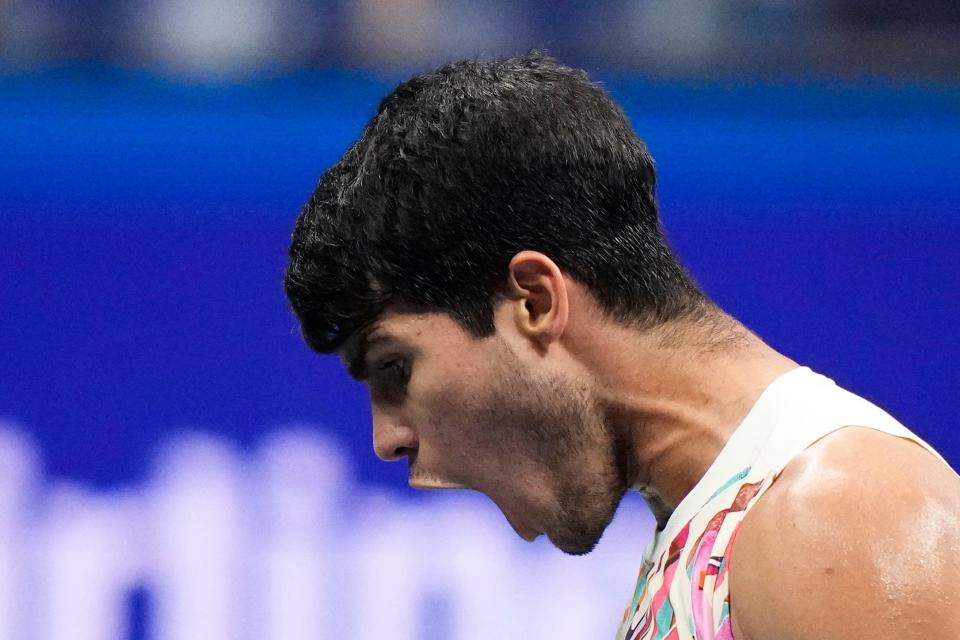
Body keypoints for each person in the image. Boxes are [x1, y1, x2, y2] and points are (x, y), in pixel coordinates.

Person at [283, 51, 960, 639]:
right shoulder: (709, 531)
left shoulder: (835, 517)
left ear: (535, 303)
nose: (386, 439)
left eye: (395, 367)